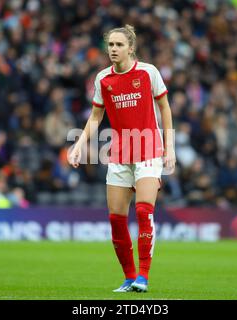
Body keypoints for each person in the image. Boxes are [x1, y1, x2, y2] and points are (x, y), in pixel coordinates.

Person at [68, 25, 176, 292]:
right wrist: (78, 145)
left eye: (118, 45)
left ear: (130, 48)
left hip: (149, 149)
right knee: (116, 218)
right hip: (119, 153)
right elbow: (95, 117)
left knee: (142, 210)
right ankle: (129, 278)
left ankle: (144, 276)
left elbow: (164, 107)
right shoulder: (103, 79)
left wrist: (169, 148)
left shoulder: (148, 72)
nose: (113, 50)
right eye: (110, 45)